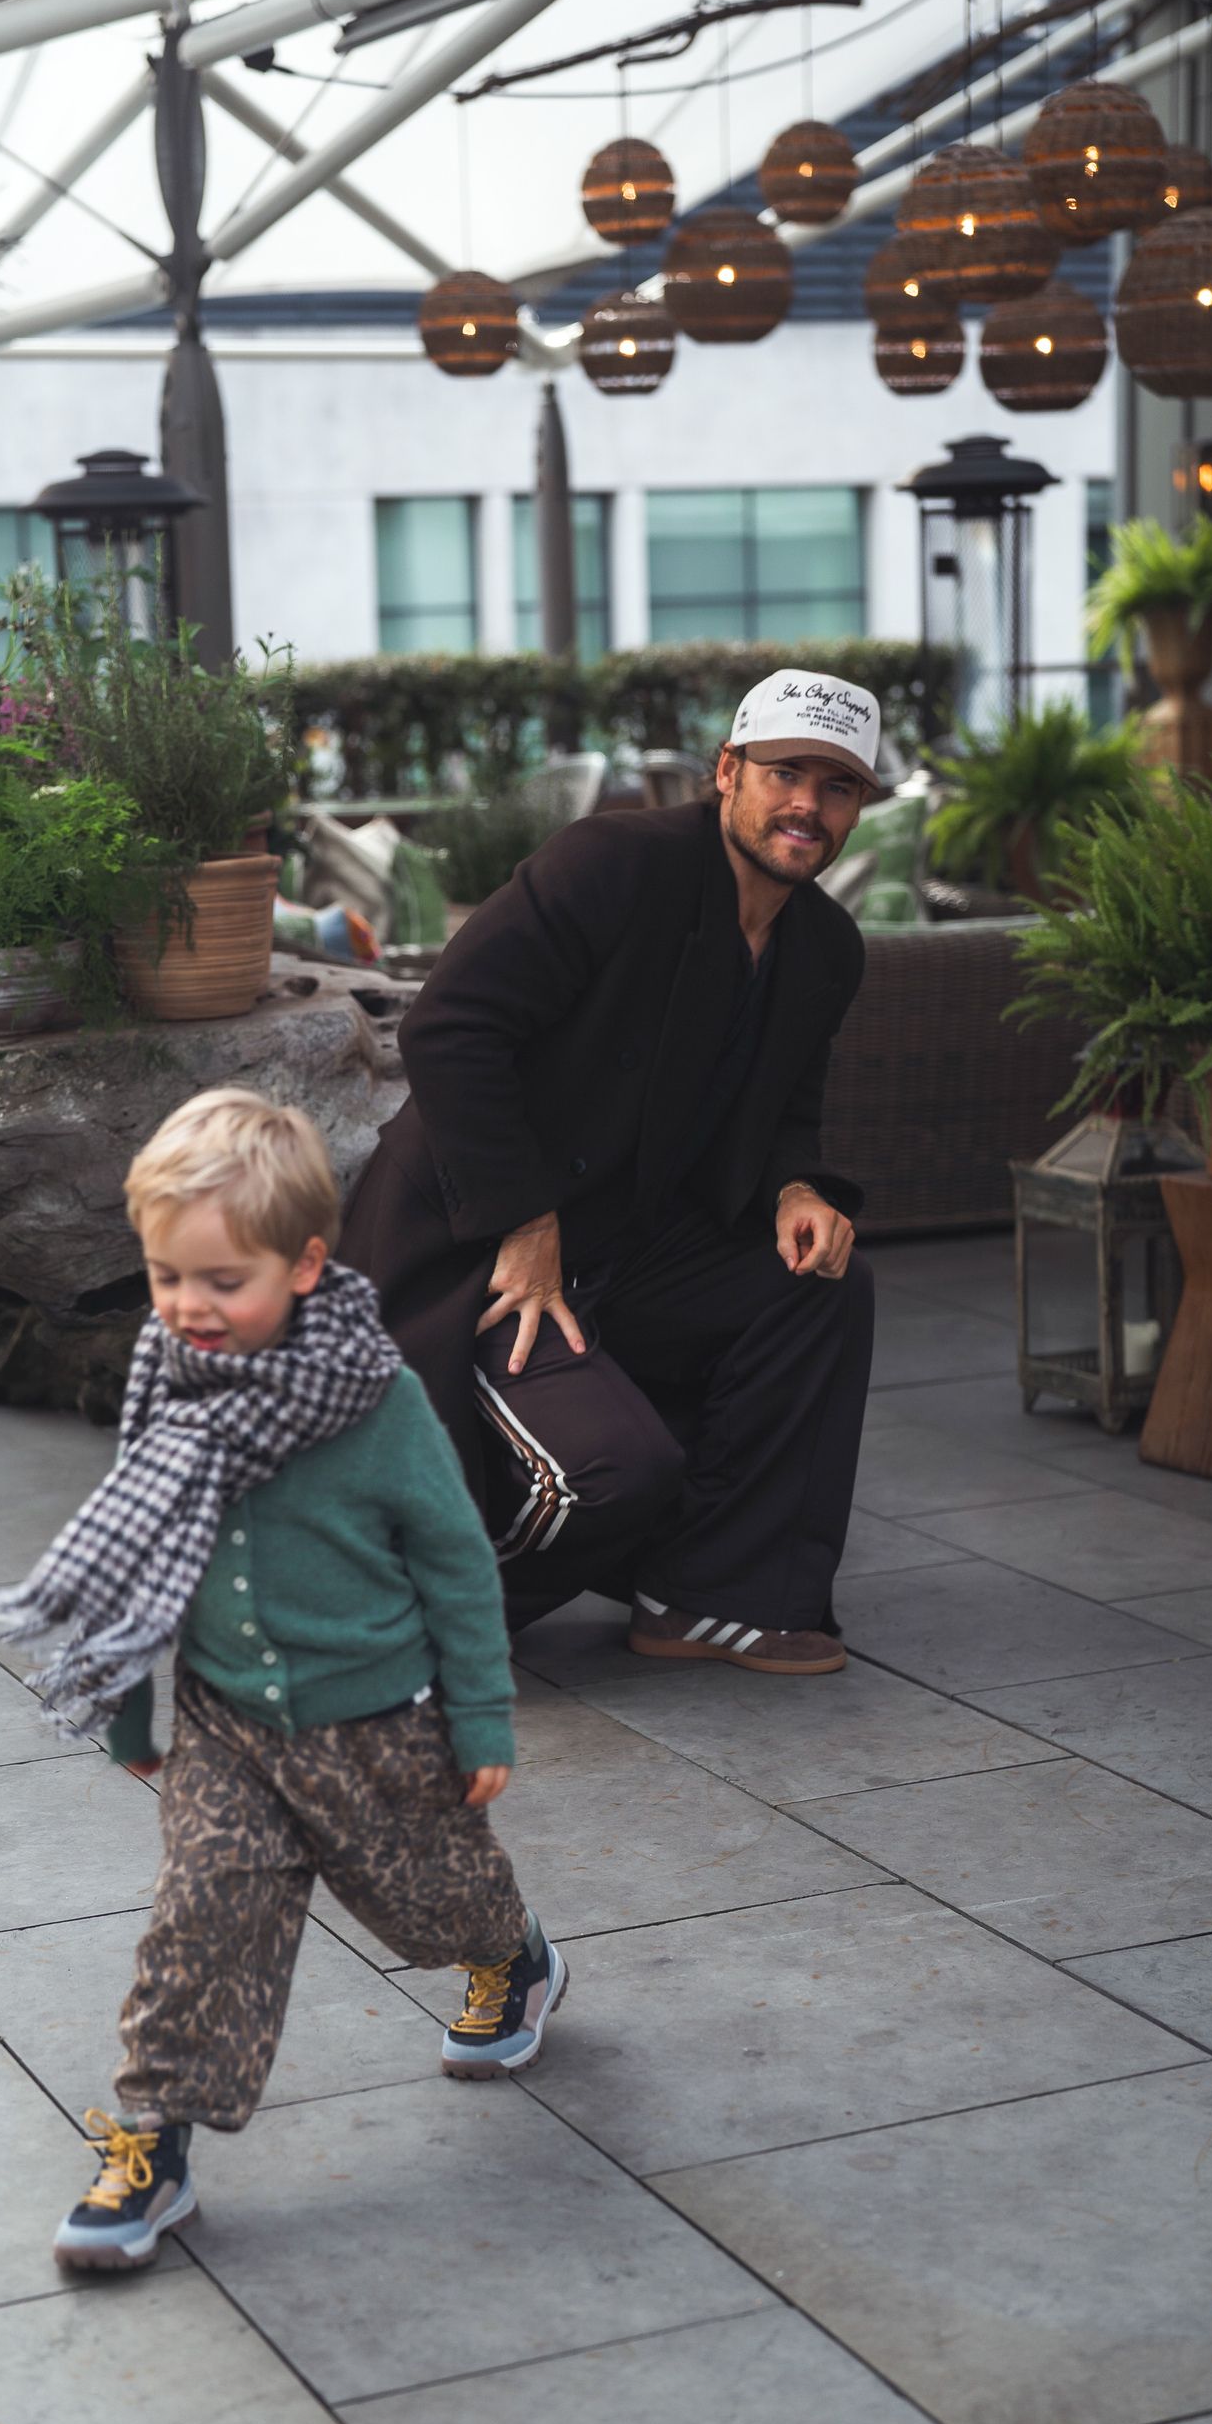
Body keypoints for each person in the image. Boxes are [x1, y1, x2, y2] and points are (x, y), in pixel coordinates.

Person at [0, 1089, 566, 2273]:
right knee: (200, 1922)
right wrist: (129, 1707)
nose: (188, 1307)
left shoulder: (377, 1401)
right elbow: (142, 1552)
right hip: (227, 1727)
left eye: (222, 1281)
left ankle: (515, 1954)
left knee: (432, 1904)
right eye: (165, 1277)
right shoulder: (165, 1379)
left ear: (305, 1266)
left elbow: (455, 1560)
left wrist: (482, 1715)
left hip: (375, 1725)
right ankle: (153, 2144)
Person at [339, 669, 879, 1675]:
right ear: (728, 771)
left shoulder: (825, 948)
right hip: (472, 1242)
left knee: (816, 1285)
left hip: (630, 1247)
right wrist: (524, 1220)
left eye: (837, 786)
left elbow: (787, 1114)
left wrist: (797, 1189)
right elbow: (450, 1027)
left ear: (857, 808)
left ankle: (711, 1596)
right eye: (785, 774)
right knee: (613, 1471)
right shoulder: (614, 865)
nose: (807, 804)